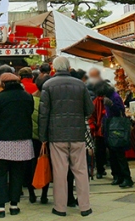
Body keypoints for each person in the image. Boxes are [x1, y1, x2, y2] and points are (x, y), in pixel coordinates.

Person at [39, 57, 94, 217]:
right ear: (69, 68)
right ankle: (85, 207)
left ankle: (60, 207)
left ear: (54, 68)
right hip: (77, 134)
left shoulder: (48, 85)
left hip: (57, 135)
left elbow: (43, 114)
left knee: (60, 173)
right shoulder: (80, 85)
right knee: (81, 171)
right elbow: (89, 109)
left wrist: (43, 137)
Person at [0, 73, 35, 218]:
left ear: (4, 84)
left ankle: (0, 208)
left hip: (2, 141)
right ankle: (14, 206)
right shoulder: (27, 97)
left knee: (0, 175)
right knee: (17, 174)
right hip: (23, 141)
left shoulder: (0, 98)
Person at [96, 81, 132, 188]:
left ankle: (126, 178)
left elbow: (120, 112)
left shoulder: (115, 97)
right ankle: (117, 176)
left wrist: (111, 105)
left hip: (116, 128)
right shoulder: (108, 96)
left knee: (119, 154)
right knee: (112, 155)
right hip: (110, 126)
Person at [26, 74, 49, 204]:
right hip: (45, 139)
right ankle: (44, 194)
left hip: (31, 138)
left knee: (30, 166)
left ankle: (31, 193)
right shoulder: (49, 101)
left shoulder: (30, 99)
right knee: (45, 165)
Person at [87, 84, 107, 179]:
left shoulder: (95, 102)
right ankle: (101, 170)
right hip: (105, 130)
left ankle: (100, 170)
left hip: (99, 130)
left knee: (99, 151)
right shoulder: (103, 101)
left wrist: (92, 128)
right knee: (104, 151)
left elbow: (91, 116)